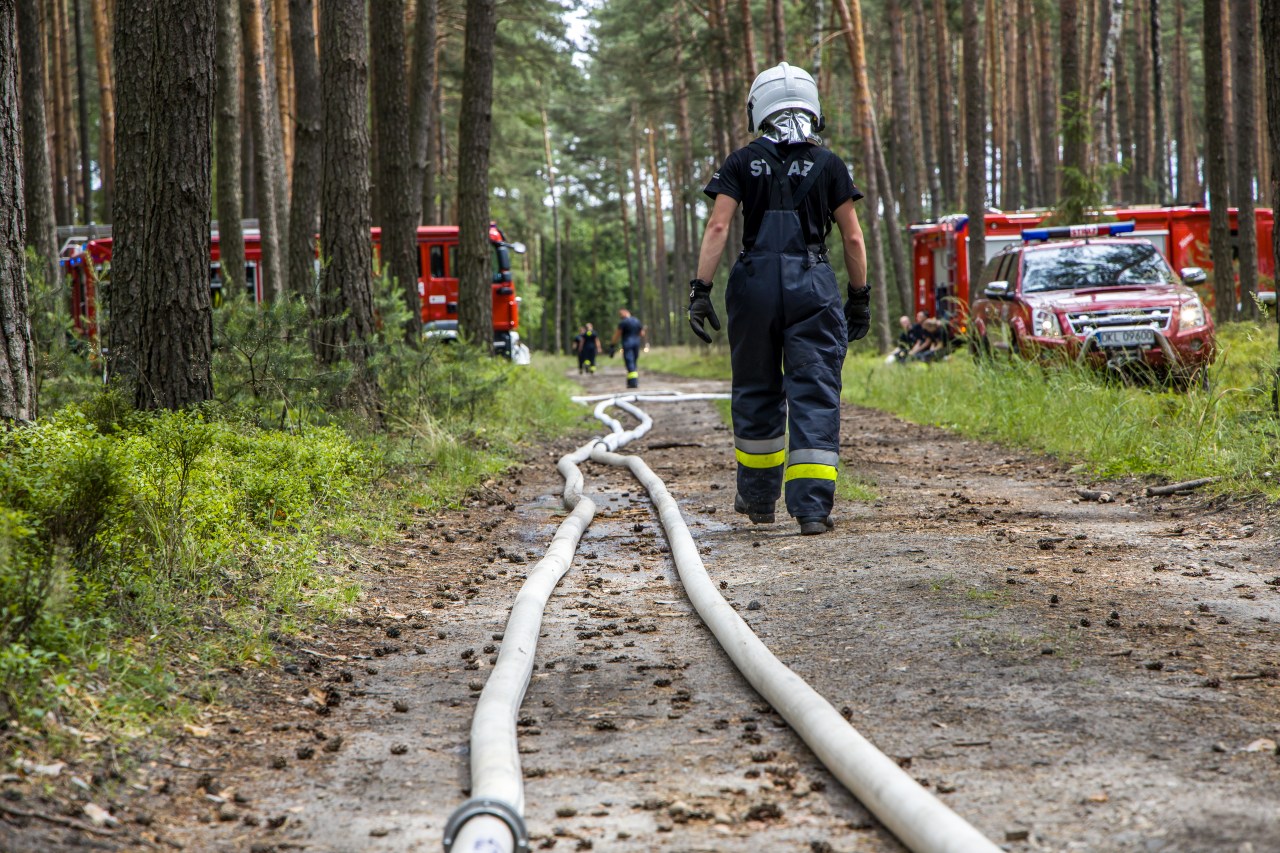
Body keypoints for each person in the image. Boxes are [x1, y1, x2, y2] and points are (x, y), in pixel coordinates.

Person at [688, 61, 870, 536]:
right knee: (815, 391)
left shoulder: (740, 161)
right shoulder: (830, 165)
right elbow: (852, 238)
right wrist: (859, 296)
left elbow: (719, 227)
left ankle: (758, 499)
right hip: (812, 283)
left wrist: (701, 289)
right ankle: (811, 510)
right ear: (812, 108)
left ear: (760, 108)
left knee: (756, 388)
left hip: (754, 284)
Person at [612, 308, 646, 388]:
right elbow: (642, 333)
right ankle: (631, 381)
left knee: (629, 361)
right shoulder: (637, 321)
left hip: (627, 343)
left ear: (626, 313)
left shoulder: (623, 322)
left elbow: (617, 334)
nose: (620, 316)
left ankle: (633, 382)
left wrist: (612, 345)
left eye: (621, 314)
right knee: (634, 361)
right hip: (636, 343)